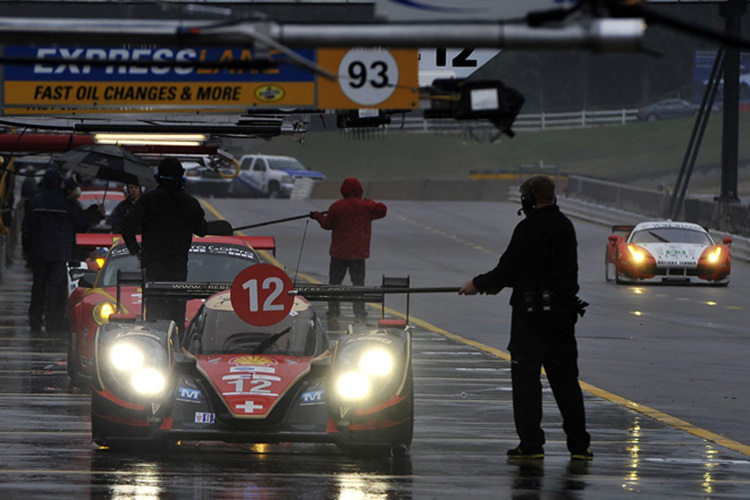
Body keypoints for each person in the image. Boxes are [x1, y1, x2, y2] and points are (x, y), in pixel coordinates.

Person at [458, 175, 592, 461]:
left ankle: (531, 445)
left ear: (528, 199)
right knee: (567, 382)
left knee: (527, 382)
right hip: (563, 316)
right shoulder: (565, 226)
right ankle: (580, 446)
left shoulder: (528, 228)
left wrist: (478, 284)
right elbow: (541, 268)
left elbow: (508, 269)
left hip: (531, 318)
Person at [122, 158, 207, 333]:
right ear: (182, 179)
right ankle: (175, 351)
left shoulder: (147, 200)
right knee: (176, 318)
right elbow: (202, 230)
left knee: (153, 316)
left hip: (153, 269)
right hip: (178, 270)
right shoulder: (191, 203)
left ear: (157, 177)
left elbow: (127, 227)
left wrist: (136, 250)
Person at [22, 168, 97, 332]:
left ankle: (35, 321)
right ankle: (52, 322)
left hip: (38, 253)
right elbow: (81, 222)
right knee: (54, 290)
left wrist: (26, 248)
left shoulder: (36, 202)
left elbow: (26, 227)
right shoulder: (65, 203)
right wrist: (95, 212)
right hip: (58, 254)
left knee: (38, 288)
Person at [311, 177, 387, 325]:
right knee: (358, 285)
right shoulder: (366, 207)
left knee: (334, 285)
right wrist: (367, 201)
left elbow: (327, 225)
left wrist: (317, 216)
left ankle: (333, 314)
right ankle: (359, 314)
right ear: (360, 190)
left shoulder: (336, 207)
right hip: (358, 254)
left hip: (339, 254)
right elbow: (382, 210)